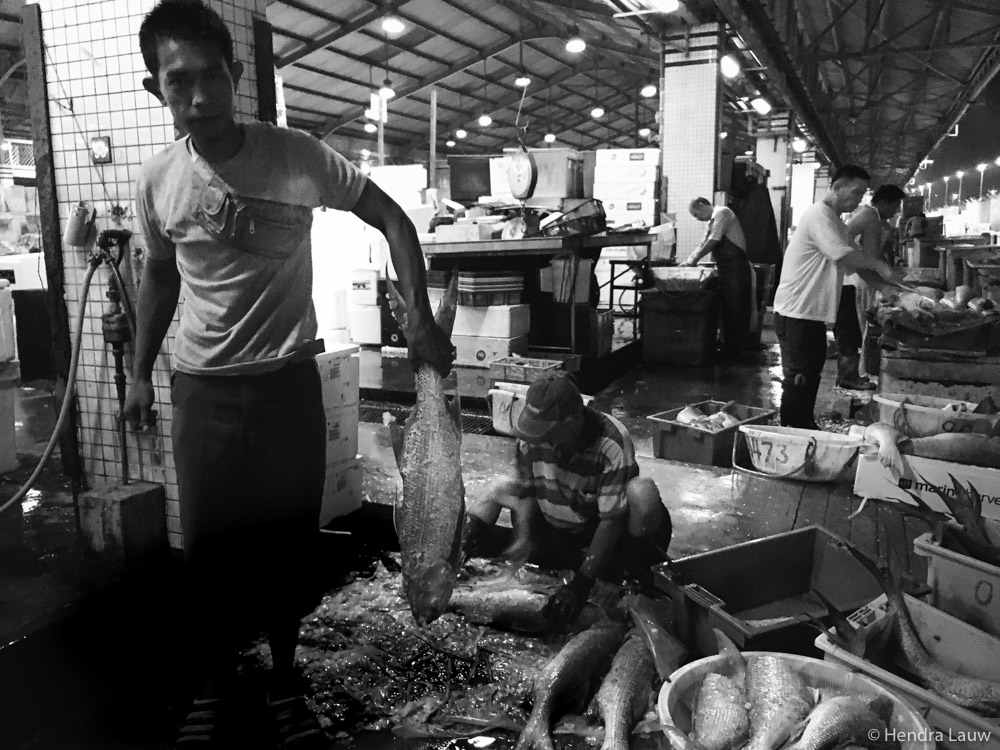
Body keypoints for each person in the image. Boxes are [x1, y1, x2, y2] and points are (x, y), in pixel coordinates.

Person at [124, 1, 454, 747]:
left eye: (213, 77)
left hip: (286, 386)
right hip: (202, 389)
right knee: (208, 550)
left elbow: (395, 220)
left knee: (285, 544)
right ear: (157, 89)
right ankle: (214, 685)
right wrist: (139, 374)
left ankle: (282, 679)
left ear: (237, 75)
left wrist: (424, 320)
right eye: (181, 82)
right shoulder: (156, 183)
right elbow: (158, 276)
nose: (200, 96)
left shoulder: (297, 156)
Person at [462, 374, 672, 626]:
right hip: (560, 529)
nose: (541, 440)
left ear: (573, 421)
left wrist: (580, 584)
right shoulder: (532, 437)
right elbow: (528, 492)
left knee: (642, 492)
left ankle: (633, 576)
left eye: (549, 433)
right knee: (498, 487)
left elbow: (611, 521)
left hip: (603, 534)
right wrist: (524, 538)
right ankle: (454, 562)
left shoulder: (611, 440)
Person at [772, 166, 932, 429]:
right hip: (795, 312)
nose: (859, 198)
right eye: (856, 192)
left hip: (809, 314)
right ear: (836, 187)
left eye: (862, 193)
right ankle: (791, 431)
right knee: (799, 377)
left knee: (810, 372)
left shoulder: (835, 220)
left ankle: (803, 427)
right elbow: (844, 255)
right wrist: (880, 267)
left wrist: (886, 288)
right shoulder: (819, 214)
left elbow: (854, 262)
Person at [834, 184, 905, 390]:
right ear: (884, 202)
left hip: (852, 278)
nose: (896, 211)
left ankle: (853, 374)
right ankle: (855, 375)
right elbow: (871, 257)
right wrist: (885, 283)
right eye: (895, 205)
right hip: (856, 281)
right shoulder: (871, 220)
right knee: (857, 328)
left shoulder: (867, 215)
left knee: (853, 328)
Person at [682, 197, 754, 362]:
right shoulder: (711, 221)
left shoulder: (723, 213)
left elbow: (713, 241)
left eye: (696, 214)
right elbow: (703, 243)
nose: (697, 218)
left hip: (736, 269)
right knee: (728, 308)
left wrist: (694, 260)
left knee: (736, 308)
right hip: (726, 269)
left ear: (702, 205)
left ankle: (734, 351)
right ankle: (728, 347)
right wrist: (687, 260)